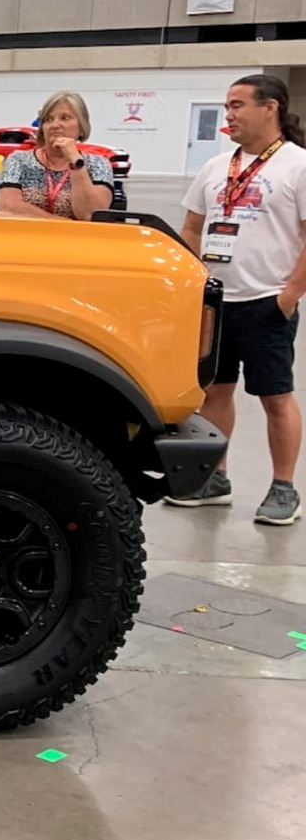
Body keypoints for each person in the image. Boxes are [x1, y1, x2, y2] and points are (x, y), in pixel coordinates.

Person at [165, 74, 306, 525]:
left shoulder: (297, 165)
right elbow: (191, 227)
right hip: (216, 302)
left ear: (271, 108)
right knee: (214, 391)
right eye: (226, 106)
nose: (229, 114)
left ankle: (283, 488)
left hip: (267, 301)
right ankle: (216, 479)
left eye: (237, 105)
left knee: (275, 396)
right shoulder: (216, 166)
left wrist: (289, 295)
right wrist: (195, 281)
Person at [0, 92, 114, 220]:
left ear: (81, 127)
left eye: (65, 118)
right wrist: (60, 224)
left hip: (78, 239)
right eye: (48, 119)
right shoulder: (18, 160)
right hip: (27, 237)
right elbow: (8, 207)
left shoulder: (98, 164)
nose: (54, 125)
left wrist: (75, 161)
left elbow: (90, 215)